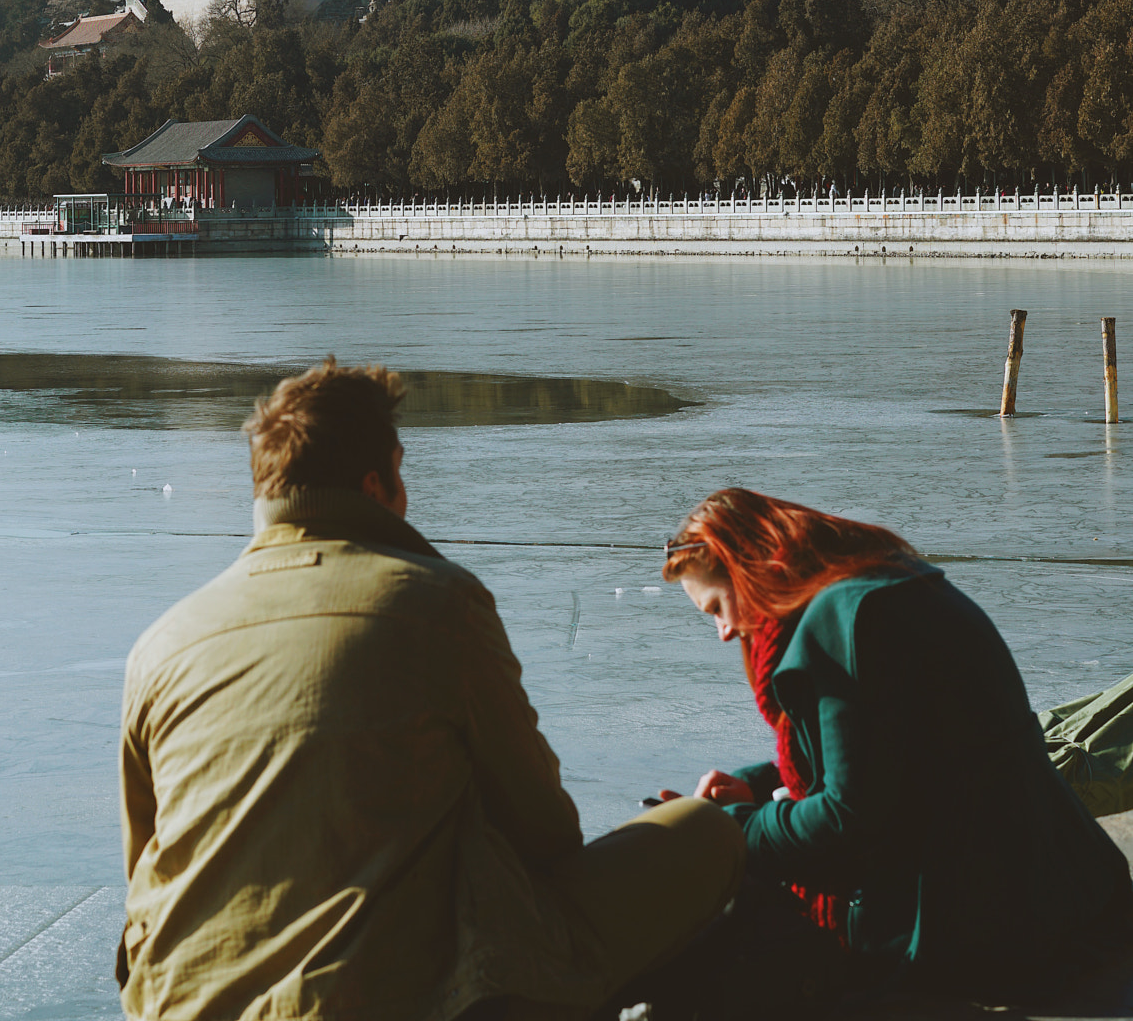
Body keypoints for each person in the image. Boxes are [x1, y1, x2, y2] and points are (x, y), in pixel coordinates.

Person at [117, 359, 743, 1020]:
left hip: (178, 1004)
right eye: (401, 470)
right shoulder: (433, 603)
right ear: (376, 483)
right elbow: (546, 833)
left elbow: (146, 866)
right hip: (382, 999)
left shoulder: (161, 644)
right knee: (705, 832)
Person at [661, 487, 1133, 1004]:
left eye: (717, 607)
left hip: (968, 924)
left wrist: (731, 829)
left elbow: (849, 815)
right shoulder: (886, 584)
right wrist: (758, 783)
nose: (724, 632)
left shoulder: (843, 625)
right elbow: (892, 756)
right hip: (1050, 885)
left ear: (753, 570)